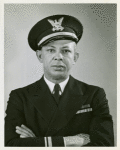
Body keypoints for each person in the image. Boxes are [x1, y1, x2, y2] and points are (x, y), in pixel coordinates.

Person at [5, 14, 114, 147]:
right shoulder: (20, 97)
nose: (58, 57)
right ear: (40, 56)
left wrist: (36, 142)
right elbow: (11, 145)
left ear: (75, 57)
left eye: (66, 51)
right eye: (51, 50)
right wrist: (70, 141)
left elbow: (104, 145)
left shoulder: (94, 95)